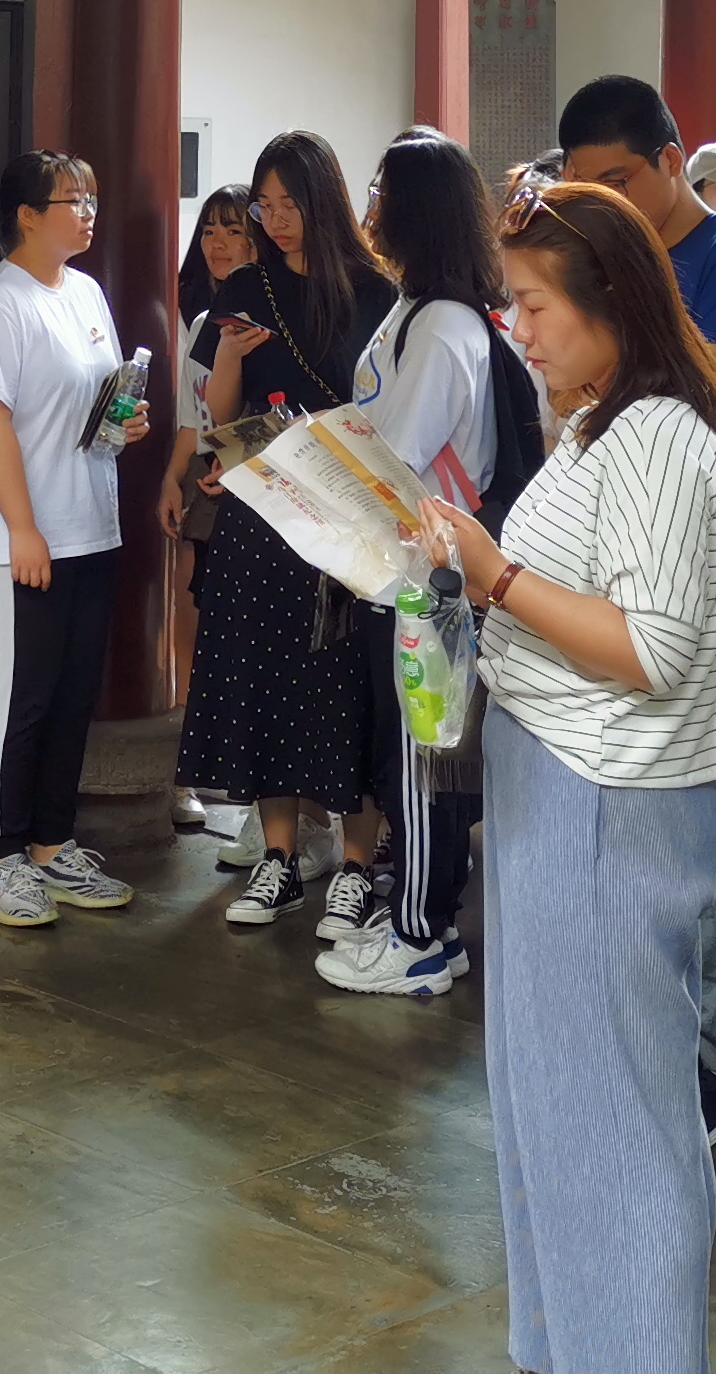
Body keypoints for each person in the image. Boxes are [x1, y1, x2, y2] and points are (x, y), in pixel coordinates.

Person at [428, 181, 716, 1374]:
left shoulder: (656, 434)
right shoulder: (599, 425)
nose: (518, 328)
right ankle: (569, 1347)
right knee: (549, 1106)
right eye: (510, 303)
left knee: (611, 1116)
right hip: (561, 777)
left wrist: (495, 577)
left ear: (611, 299)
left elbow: (651, 649)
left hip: (609, 794)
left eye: (534, 304)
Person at [558, 74, 716, 1143]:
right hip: (605, 552)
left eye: (620, 180)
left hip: (689, 555)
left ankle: (711, 1061)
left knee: (703, 805)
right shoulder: (602, 255)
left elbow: (698, 389)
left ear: (671, 159)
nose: (610, 201)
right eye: (586, 187)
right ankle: (642, 1027)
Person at [178, 131, 396, 925]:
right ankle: (278, 858)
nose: (273, 221)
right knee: (261, 678)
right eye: (263, 206)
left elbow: (382, 412)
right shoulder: (246, 286)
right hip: (261, 511)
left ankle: (357, 862)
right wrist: (233, 356)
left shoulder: (373, 294)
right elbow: (221, 413)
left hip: (342, 514)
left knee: (346, 685)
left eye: (287, 206)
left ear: (323, 203)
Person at [320, 127, 505, 998]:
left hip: (428, 582)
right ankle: (423, 919)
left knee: (424, 760)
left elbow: (393, 455)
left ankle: (424, 936)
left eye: (381, 192)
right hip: (398, 568)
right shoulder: (414, 308)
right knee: (410, 754)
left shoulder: (443, 325)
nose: (370, 208)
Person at [0, 150, 150, 927]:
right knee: (21, 700)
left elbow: (92, 410)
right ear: (28, 216)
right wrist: (22, 528)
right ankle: (1, 860)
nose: (88, 212)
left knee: (72, 697)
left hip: (88, 525)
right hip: (16, 536)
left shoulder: (88, 293)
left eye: (91, 198)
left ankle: (51, 846)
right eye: (72, 200)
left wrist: (124, 425)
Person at [159, 186, 258, 832]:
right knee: (198, 634)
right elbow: (194, 422)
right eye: (209, 232)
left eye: (233, 231)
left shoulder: (271, 315)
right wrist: (173, 479)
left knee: (251, 641)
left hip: (261, 485)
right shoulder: (202, 325)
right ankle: (192, 773)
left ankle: (256, 791)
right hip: (209, 483)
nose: (218, 244)